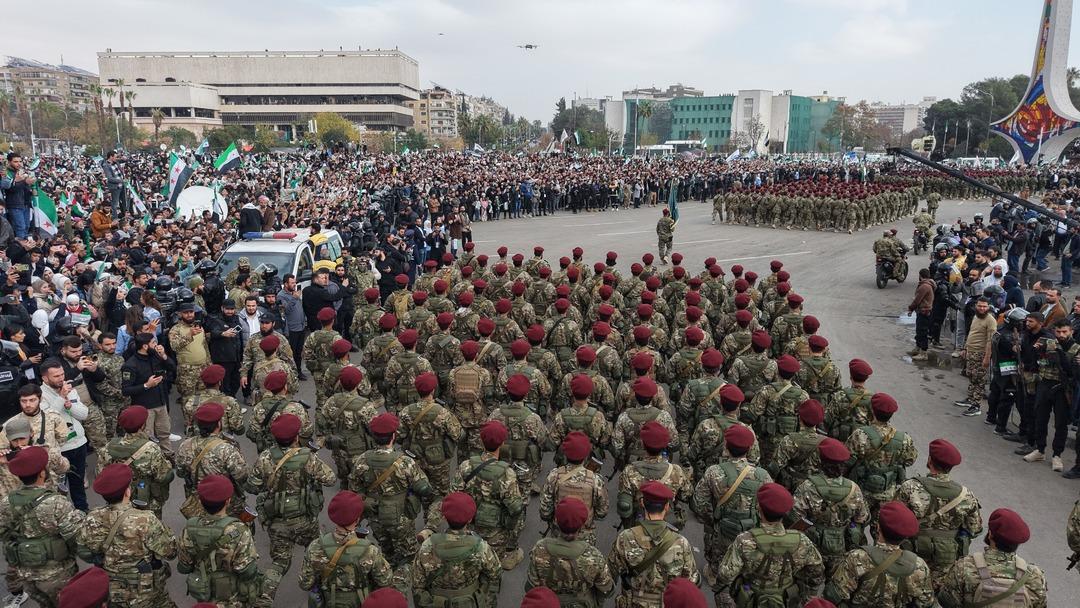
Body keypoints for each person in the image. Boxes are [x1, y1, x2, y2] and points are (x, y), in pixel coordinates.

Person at [74, 463, 178, 607]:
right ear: (128, 491)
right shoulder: (145, 519)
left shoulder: (92, 518)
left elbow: (83, 551)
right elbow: (170, 552)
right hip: (144, 588)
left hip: (111, 586)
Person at [246, 413, 337, 576]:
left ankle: (265, 597)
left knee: (279, 563)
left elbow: (253, 486)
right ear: (296, 436)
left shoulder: (265, 458)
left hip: (277, 518)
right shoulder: (308, 457)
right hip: (305, 518)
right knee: (318, 552)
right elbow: (330, 479)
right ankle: (318, 584)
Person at [713, 482, 824, 607]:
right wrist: (806, 595)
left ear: (759, 507)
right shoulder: (801, 540)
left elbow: (725, 575)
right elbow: (816, 571)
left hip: (750, 598)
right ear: (785, 512)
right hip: (786, 599)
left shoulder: (745, 541)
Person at [0, 446, 85, 607]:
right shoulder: (56, 502)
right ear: (42, 473)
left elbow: (4, 534)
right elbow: (76, 537)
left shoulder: (6, 502)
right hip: (58, 574)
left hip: (27, 575)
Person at [895, 439, 983, 589]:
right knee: (934, 590)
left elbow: (894, 519)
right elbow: (974, 528)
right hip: (946, 556)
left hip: (911, 551)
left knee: (906, 587)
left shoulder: (910, 487)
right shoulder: (966, 495)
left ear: (929, 460)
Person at [177, 474, 275, 607]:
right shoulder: (239, 530)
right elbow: (247, 571)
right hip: (233, 596)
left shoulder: (189, 528)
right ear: (228, 501)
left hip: (204, 592)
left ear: (200, 501)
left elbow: (184, 567)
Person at [824, 501, 935, 607]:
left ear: (877, 527)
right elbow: (925, 602)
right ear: (905, 537)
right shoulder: (919, 566)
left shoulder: (857, 558)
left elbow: (833, 596)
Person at [608, 481, 700, 607]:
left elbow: (610, 576)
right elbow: (692, 581)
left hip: (633, 602)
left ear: (642, 503)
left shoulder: (625, 537)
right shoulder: (680, 542)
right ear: (667, 507)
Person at [299, 490, 393, 605]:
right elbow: (385, 581)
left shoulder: (316, 546)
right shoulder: (370, 550)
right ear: (357, 518)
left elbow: (305, 583)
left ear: (333, 517)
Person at [411, 492, 503, 608]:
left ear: (444, 517)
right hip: (470, 602)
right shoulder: (481, 547)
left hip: (437, 602)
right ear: (470, 519)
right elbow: (495, 573)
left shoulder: (427, 546)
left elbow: (417, 583)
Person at [525, 496, 615, 607]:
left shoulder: (540, 549)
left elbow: (531, 586)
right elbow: (607, 590)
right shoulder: (593, 556)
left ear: (557, 521)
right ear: (582, 525)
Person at [96, 406, 174, 519]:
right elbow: (163, 477)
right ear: (143, 426)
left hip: (118, 498)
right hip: (146, 499)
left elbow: (100, 474)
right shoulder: (150, 448)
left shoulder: (108, 447)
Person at [38, 359, 90, 512]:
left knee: (78, 484)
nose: (61, 378)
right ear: (45, 378)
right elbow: (46, 420)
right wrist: (61, 398)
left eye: (62, 374)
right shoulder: (40, 395)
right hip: (58, 449)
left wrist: (70, 405)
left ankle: (83, 513)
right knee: (58, 488)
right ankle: (61, 517)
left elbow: (84, 414)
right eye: (56, 376)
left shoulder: (69, 389)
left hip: (78, 443)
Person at [120, 333, 175, 455]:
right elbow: (126, 390)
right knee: (146, 438)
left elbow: (172, 367)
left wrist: (164, 356)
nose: (156, 345)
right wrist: (146, 385)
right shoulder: (130, 365)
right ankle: (148, 460)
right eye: (153, 343)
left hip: (161, 402)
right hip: (145, 407)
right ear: (145, 346)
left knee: (164, 433)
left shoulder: (156, 356)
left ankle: (169, 455)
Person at [1, 153, 35, 239]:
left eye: (20, 161)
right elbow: (9, 189)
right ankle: (20, 249)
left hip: (26, 204)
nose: (19, 163)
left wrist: (30, 187)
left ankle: (25, 247)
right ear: (9, 162)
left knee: (26, 226)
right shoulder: (6, 173)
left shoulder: (21, 171)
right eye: (15, 161)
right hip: (15, 205)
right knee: (20, 228)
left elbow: (23, 188)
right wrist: (23, 182)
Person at [907, 268, 935, 362]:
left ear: (920, 275)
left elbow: (917, 300)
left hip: (924, 312)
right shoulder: (928, 284)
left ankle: (923, 353)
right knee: (919, 331)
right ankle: (917, 348)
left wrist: (911, 308)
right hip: (924, 311)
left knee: (922, 332)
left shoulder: (924, 286)